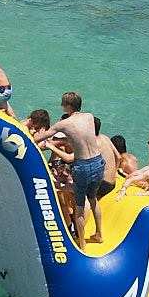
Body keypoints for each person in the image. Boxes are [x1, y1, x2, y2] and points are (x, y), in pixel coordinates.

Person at [35, 93, 108, 244]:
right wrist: (61, 141)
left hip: (83, 167)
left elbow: (39, 139)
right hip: (98, 162)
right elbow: (79, 137)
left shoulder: (64, 124)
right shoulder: (89, 117)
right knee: (93, 199)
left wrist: (41, 139)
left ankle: (81, 244)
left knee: (79, 206)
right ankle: (99, 235)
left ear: (67, 106)